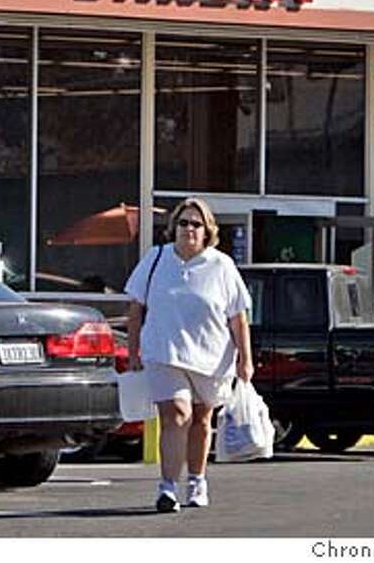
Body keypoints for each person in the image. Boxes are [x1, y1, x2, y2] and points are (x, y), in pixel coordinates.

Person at [124, 197, 253, 513]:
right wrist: (133, 351)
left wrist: (245, 359)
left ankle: (197, 480)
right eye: (183, 223)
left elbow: (238, 317)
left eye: (196, 224)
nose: (189, 229)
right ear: (174, 228)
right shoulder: (156, 259)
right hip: (164, 352)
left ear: (207, 231)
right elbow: (135, 309)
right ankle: (167, 487)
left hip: (211, 356)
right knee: (177, 414)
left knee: (201, 418)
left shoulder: (221, 265)